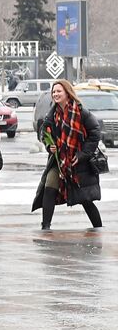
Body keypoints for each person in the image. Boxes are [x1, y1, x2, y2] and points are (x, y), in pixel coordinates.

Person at [32, 80, 102, 229]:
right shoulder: (52, 114)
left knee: (85, 198)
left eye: (59, 91)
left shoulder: (81, 111)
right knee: (49, 187)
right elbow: (44, 133)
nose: (55, 94)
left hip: (77, 162)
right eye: (54, 92)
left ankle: (99, 228)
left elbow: (95, 133)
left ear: (67, 93)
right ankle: (45, 227)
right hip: (58, 160)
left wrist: (83, 154)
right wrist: (48, 145)